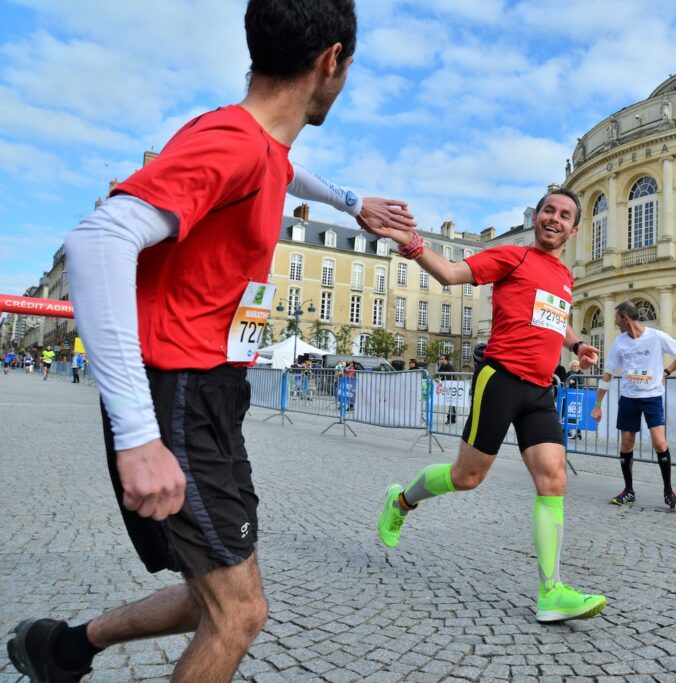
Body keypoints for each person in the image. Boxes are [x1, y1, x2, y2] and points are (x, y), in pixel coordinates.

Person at [7, 3, 417, 682]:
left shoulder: (258, 147)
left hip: (210, 393)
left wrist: (351, 202)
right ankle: (67, 647)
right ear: (332, 61)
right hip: (178, 395)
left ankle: (66, 647)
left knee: (216, 592)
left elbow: (287, 170)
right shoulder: (233, 141)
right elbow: (98, 240)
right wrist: (138, 432)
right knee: (240, 612)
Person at [372, 188, 607, 623]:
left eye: (565, 215)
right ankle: (401, 501)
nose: (554, 218)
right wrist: (412, 243)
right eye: (548, 210)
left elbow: (555, 315)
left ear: (574, 229)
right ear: (537, 218)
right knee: (467, 477)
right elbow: (449, 273)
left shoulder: (565, 276)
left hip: (540, 390)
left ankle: (551, 592)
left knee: (553, 480)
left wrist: (576, 343)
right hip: (500, 381)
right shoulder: (511, 257)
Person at [590, 301, 676, 509]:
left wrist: (666, 372)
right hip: (628, 398)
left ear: (626, 318)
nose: (615, 322)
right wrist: (598, 405)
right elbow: (607, 375)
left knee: (660, 444)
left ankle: (669, 492)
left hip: (652, 397)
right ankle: (628, 491)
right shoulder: (619, 343)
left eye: (617, 318)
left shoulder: (656, 336)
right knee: (626, 443)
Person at [436, 354, 457, 424]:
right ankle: (453, 418)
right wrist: (437, 377)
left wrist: (440, 378)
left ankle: (450, 418)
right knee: (451, 403)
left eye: (442, 359)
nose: (441, 360)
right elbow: (438, 373)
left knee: (451, 402)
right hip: (445, 386)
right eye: (441, 359)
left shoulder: (450, 367)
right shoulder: (442, 366)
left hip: (451, 387)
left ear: (446, 360)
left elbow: (449, 376)